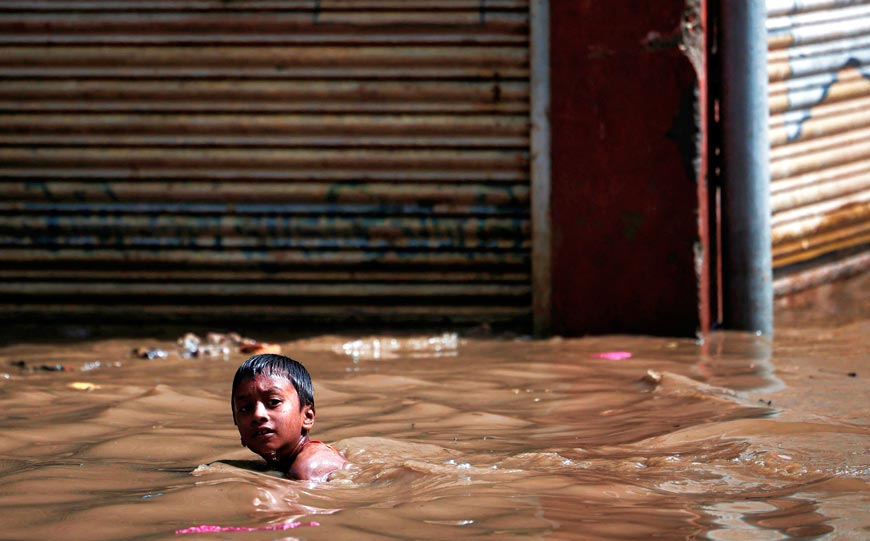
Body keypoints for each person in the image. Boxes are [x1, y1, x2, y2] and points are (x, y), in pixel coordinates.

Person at [231, 353, 346, 481]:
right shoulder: (280, 465)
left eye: (274, 402)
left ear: (307, 417)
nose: (258, 414)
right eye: (244, 408)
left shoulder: (308, 466)